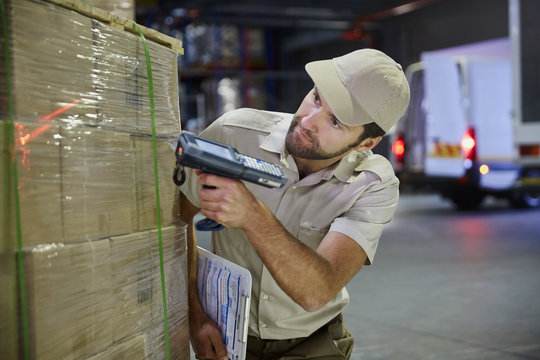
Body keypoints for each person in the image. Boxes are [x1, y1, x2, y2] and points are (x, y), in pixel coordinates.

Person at [177, 48, 410, 360]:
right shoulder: (233, 133)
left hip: (314, 343)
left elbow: (316, 292)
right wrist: (195, 317)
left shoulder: (371, 186)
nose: (309, 122)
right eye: (316, 97)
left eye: (336, 122)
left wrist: (253, 215)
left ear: (367, 143)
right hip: (226, 338)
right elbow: (175, 219)